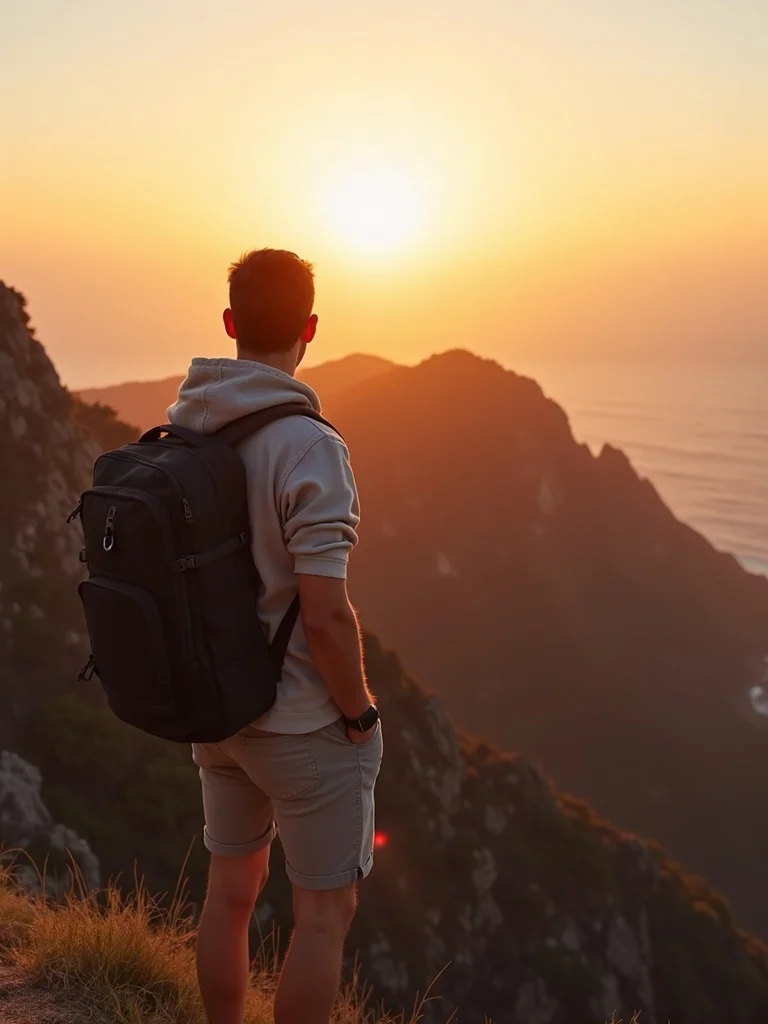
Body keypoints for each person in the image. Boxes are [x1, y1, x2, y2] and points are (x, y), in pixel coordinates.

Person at [167, 249, 383, 1024]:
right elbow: (326, 616)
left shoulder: (188, 425)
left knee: (229, 894)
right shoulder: (310, 447)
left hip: (219, 712)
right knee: (323, 917)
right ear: (310, 328)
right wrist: (359, 715)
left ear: (230, 322)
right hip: (298, 724)